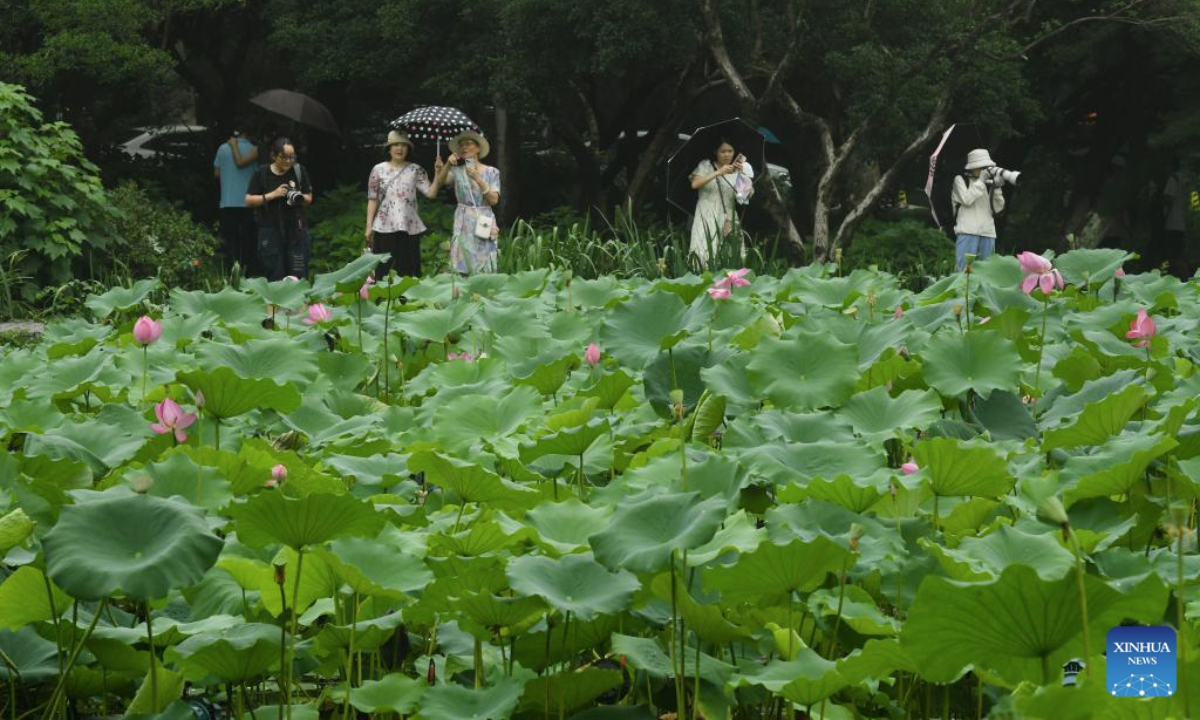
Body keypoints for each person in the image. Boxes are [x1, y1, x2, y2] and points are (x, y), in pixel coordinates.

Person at [365, 131, 434, 277]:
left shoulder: (416, 169)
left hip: (409, 226)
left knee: (409, 270)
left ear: (408, 149)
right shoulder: (378, 169)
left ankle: (408, 300)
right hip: (384, 225)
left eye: (404, 145)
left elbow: (431, 193)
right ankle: (381, 299)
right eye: (395, 145)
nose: (399, 148)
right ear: (389, 148)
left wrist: (440, 173)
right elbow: (373, 199)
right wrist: (369, 226)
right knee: (382, 269)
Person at [431, 130, 500, 274]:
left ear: (478, 148)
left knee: (484, 262)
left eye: (468, 144)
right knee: (462, 260)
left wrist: (477, 178)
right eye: (461, 145)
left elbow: (494, 200)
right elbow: (442, 180)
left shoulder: (492, 171)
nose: (464, 147)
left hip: (483, 218)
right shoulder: (457, 171)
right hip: (463, 220)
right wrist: (446, 165)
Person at [245, 138, 314, 280]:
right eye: (284, 157)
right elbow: (249, 200)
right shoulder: (262, 173)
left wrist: (299, 196)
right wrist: (273, 195)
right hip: (270, 231)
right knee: (274, 275)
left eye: (292, 156)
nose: (289, 161)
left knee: (298, 277)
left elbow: (309, 198)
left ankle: (298, 302)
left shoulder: (299, 171)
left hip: (296, 232)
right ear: (274, 155)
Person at [689, 139, 752, 267]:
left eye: (730, 151)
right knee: (704, 250)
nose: (727, 155)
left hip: (728, 215)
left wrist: (743, 175)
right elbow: (695, 184)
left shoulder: (740, 171)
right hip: (706, 214)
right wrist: (718, 172)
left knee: (730, 253)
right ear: (716, 152)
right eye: (723, 151)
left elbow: (743, 198)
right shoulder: (706, 165)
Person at [213, 124, 260, 274]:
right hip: (248, 202)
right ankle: (247, 272)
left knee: (230, 240)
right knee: (247, 240)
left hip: (227, 201)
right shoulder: (254, 149)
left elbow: (217, 174)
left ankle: (230, 273)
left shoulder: (222, 148)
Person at [952, 148, 1006, 270]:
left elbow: (998, 209)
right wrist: (981, 181)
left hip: (988, 233)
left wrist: (996, 188)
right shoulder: (960, 180)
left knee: (986, 273)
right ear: (972, 167)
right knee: (964, 272)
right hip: (967, 232)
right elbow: (967, 199)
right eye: (981, 167)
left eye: (986, 167)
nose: (984, 170)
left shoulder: (988, 183)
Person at [1162, 158, 1190, 276]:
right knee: (1178, 253)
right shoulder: (1184, 179)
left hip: (1172, 223)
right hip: (1181, 223)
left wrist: (1162, 215)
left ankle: (1187, 277)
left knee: (1174, 254)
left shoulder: (1173, 179)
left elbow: (1169, 199)